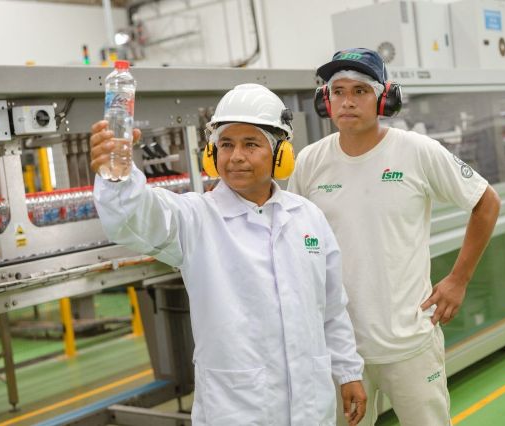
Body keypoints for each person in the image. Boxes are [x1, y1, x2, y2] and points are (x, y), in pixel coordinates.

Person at [90, 83, 367, 425]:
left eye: (251, 144)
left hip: (311, 407)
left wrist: (348, 372)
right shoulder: (197, 218)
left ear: (280, 153)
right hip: (238, 410)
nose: (236, 156)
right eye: (226, 144)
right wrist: (118, 177)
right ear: (212, 153)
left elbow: (332, 306)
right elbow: (134, 218)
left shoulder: (307, 217)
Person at [288, 48, 501, 425]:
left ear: (384, 98)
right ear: (326, 100)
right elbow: (296, 239)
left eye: (360, 91)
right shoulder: (310, 161)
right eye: (338, 91)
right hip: (342, 349)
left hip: (410, 340)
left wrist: (458, 279)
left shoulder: (417, 151)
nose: (347, 101)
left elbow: (486, 202)